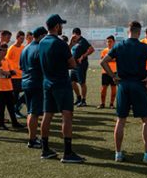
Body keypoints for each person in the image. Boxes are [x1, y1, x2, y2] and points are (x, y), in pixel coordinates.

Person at [100, 21, 147, 163]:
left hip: (123, 85)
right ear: (139, 32)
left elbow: (103, 62)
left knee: (120, 120)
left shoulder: (119, 46)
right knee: (146, 120)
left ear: (127, 31)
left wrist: (113, 76)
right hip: (139, 85)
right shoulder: (143, 47)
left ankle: (118, 154)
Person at [38, 14, 84, 163]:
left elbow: (54, 57)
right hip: (61, 83)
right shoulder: (59, 43)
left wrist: (68, 45)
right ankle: (68, 152)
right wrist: (69, 49)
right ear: (57, 26)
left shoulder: (42, 42)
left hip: (47, 83)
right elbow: (72, 64)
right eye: (61, 25)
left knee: (47, 115)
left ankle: (45, 149)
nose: (62, 28)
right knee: (67, 115)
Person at [20, 26, 47, 149]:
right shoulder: (39, 48)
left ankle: (32, 137)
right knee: (34, 112)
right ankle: (32, 140)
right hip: (36, 82)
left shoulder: (25, 48)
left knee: (31, 111)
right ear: (41, 36)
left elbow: (21, 66)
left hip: (25, 82)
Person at [0, 44, 24, 130]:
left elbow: (12, 72)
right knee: (1, 107)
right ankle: (1, 124)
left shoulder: (6, 60)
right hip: (0, 88)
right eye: (3, 50)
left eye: (6, 50)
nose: (4, 52)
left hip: (9, 87)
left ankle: (14, 122)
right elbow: (0, 74)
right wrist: (7, 74)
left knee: (11, 106)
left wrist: (7, 74)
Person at [70, 28, 94, 107]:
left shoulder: (83, 41)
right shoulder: (74, 41)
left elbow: (91, 49)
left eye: (73, 35)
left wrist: (82, 57)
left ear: (76, 34)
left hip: (81, 65)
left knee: (82, 82)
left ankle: (83, 100)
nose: (72, 36)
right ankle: (78, 98)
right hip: (74, 65)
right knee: (72, 82)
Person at [6, 31, 25, 118]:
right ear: (17, 38)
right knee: (15, 94)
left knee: (27, 92)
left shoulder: (23, 48)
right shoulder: (11, 48)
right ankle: (14, 112)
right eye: (21, 38)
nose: (22, 40)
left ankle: (17, 109)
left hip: (23, 75)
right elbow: (7, 60)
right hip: (15, 76)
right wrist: (11, 70)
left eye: (23, 38)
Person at [98, 35, 117, 109]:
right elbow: (101, 60)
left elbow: (116, 60)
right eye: (107, 41)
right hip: (105, 72)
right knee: (103, 89)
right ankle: (102, 103)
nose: (109, 43)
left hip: (114, 72)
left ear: (114, 42)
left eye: (110, 41)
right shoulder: (104, 51)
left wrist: (107, 60)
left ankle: (111, 104)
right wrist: (110, 60)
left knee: (113, 89)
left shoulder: (116, 50)